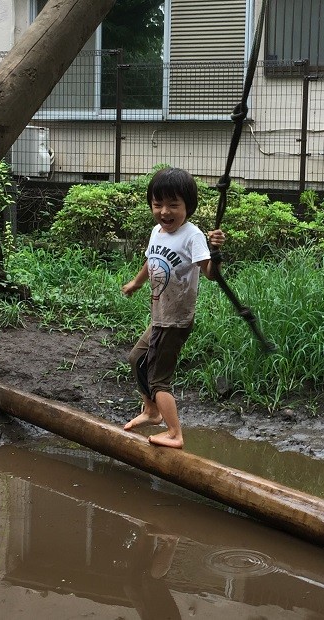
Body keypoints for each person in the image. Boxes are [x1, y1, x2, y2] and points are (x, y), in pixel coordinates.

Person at [121, 167, 225, 448]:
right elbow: (151, 260)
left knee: (158, 379)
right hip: (159, 316)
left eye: (173, 205)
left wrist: (216, 254)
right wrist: (136, 282)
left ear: (187, 207)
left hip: (176, 320)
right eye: (158, 204)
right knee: (136, 358)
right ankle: (151, 411)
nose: (164, 211)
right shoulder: (157, 232)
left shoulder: (192, 236)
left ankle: (175, 433)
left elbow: (210, 273)